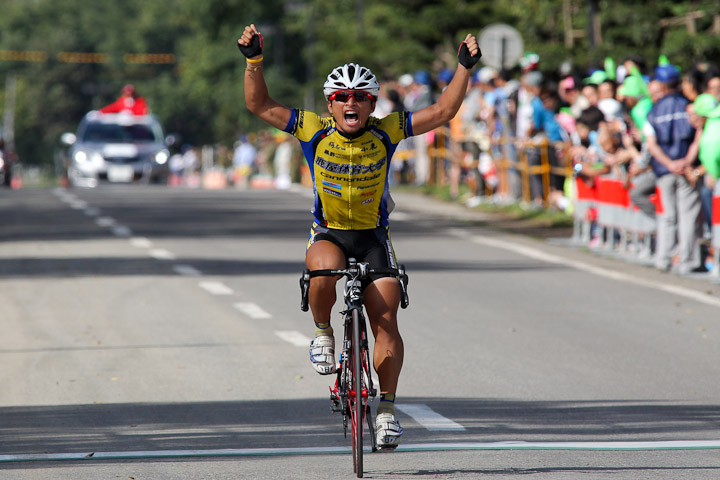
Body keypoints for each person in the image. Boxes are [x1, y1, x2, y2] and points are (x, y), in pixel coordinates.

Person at [238, 23, 480, 450]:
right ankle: (323, 333)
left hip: (372, 235)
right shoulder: (312, 129)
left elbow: (443, 112)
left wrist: (463, 67)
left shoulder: (388, 130)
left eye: (361, 98)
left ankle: (386, 412)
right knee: (323, 268)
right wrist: (254, 61)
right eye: (342, 98)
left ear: (372, 104)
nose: (351, 103)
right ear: (331, 104)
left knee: (386, 321)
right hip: (330, 232)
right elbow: (258, 104)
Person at [644, 63, 703, 274]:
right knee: (688, 215)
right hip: (687, 168)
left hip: (664, 170)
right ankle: (687, 261)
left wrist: (669, 164)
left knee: (666, 215)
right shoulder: (689, 105)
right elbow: (699, 133)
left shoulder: (653, 111)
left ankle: (664, 259)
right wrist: (686, 160)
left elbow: (652, 145)